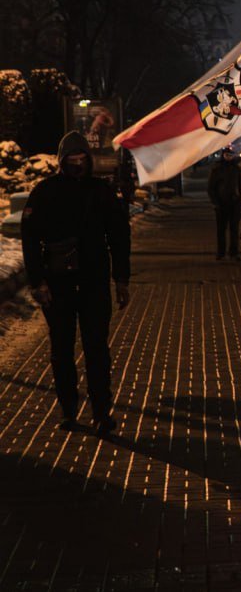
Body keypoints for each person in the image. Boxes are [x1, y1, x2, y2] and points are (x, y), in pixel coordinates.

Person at [21, 132, 131, 435]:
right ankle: (69, 410)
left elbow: (119, 236)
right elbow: (30, 238)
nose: (78, 163)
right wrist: (37, 281)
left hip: (93, 281)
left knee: (96, 349)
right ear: (62, 160)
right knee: (62, 349)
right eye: (72, 158)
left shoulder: (100, 192)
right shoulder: (45, 192)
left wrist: (121, 278)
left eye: (82, 158)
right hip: (58, 284)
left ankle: (101, 411)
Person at [208, 146, 241, 261]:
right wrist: (215, 202)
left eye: (231, 155)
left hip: (235, 203)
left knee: (234, 229)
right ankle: (221, 252)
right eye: (227, 155)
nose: (229, 157)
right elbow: (211, 188)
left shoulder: (236, 169)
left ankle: (234, 253)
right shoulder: (217, 169)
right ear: (223, 155)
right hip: (221, 204)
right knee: (221, 229)